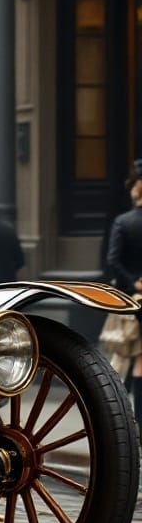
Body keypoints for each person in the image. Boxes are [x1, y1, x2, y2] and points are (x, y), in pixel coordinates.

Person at [106, 177, 142, 427]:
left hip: (131, 300)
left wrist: (134, 282)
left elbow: (113, 260)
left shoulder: (123, 222)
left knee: (123, 357)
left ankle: (120, 420)